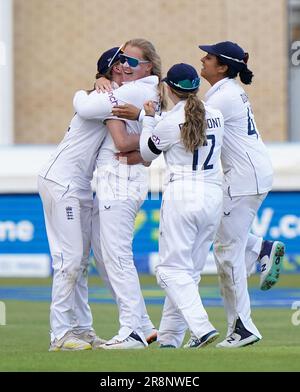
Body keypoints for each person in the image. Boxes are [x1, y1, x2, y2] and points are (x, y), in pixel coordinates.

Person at [74, 38, 163, 349]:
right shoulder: (138, 88)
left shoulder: (136, 89)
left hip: (121, 181)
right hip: (119, 180)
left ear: (148, 67)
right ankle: (143, 325)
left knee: (117, 256)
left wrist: (94, 86)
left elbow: (85, 107)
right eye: (121, 59)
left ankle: (132, 331)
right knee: (104, 255)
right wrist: (104, 81)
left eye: (132, 61)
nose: (125, 65)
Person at [198, 41, 285, 348]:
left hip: (244, 178)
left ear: (222, 66)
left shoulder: (222, 97)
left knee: (226, 252)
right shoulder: (226, 92)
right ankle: (261, 248)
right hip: (250, 173)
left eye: (208, 58)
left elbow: (188, 128)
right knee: (219, 236)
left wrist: (147, 118)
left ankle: (243, 328)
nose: (202, 60)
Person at [38, 46, 124, 351]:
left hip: (80, 186)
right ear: (113, 70)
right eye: (126, 65)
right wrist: (103, 82)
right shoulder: (99, 99)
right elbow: (85, 102)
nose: (134, 70)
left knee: (80, 262)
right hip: (61, 182)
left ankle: (82, 329)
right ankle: (59, 335)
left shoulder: (110, 99)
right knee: (70, 260)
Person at [138, 63, 224, 348]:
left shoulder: (167, 122)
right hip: (213, 193)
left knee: (169, 271)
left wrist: (149, 119)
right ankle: (170, 339)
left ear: (169, 88)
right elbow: (186, 124)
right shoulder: (216, 115)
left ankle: (201, 327)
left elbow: (146, 153)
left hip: (183, 193)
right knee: (187, 273)